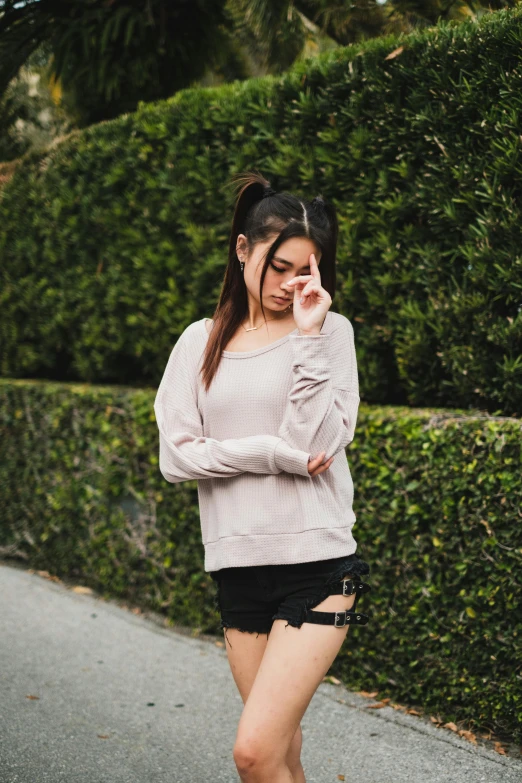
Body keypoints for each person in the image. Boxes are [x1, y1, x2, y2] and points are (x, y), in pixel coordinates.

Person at [153, 170, 372, 783]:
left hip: (319, 565)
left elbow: (317, 444)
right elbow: (178, 457)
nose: (293, 283)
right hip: (238, 567)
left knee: (252, 751)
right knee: (280, 753)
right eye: (280, 266)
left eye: (309, 268)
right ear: (243, 251)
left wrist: (307, 338)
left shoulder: (331, 334)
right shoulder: (200, 342)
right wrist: (271, 453)